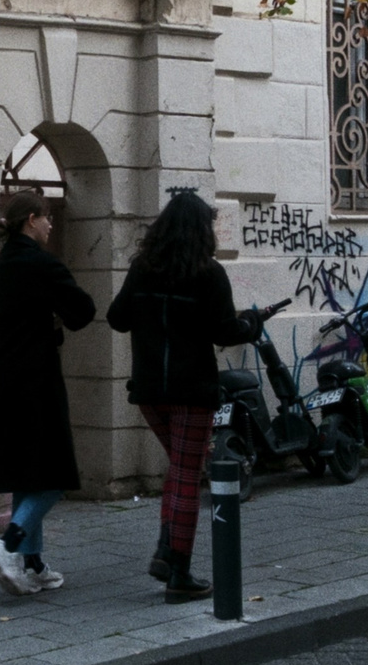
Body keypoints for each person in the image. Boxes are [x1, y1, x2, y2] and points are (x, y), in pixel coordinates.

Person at [106, 190, 259, 602]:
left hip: (151, 390)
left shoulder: (142, 269)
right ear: (200, 230)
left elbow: (116, 319)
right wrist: (251, 324)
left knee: (179, 470)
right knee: (188, 477)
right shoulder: (208, 274)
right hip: (192, 391)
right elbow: (225, 333)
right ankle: (179, 571)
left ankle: (165, 551)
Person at [0, 191, 96, 596]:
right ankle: (9, 545)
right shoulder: (43, 264)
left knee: (26, 470)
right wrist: (56, 315)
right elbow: (84, 310)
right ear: (31, 219)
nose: (50, 225)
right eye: (46, 218)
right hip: (35, 378)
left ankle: (33, 565)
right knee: (55, 471)